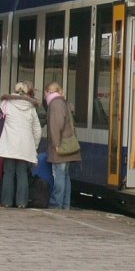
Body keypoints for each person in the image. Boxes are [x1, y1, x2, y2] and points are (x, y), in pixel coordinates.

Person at [0, 81, 42, 208]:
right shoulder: (31, 108)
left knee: (8, 172)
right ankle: (21, 203)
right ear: (26, 92)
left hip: (9, 144)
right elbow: (37, 129)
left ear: (14, 91)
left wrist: (0, 140)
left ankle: (6, 202)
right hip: (25, 146)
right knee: (22, 173)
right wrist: (35, 146)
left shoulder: (6, 104)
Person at [44, 81, 81, 210]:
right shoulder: (63, 102)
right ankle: (65, 205)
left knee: (59, 174)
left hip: (61, 145)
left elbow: (56, 126)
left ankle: (56, 204)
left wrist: (56, 144)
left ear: (49, 91)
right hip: (68, 144)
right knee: (65, 175)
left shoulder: (55, 104)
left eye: (45, 93)